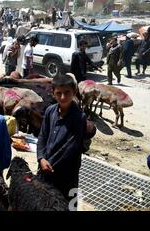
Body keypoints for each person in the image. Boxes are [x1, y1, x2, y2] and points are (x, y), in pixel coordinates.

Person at [37, 74, 87, 208]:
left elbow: (70, 147)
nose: (63, 97)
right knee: (46, 202)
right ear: (52, 93)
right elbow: (42, 136)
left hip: (67, 172)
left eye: (67, 93)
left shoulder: (79, 117)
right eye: (59, 93)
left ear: (74, 92)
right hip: (46, 167)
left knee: (69, 204)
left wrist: (48, 164)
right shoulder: (49, 111)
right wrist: (41, 158)